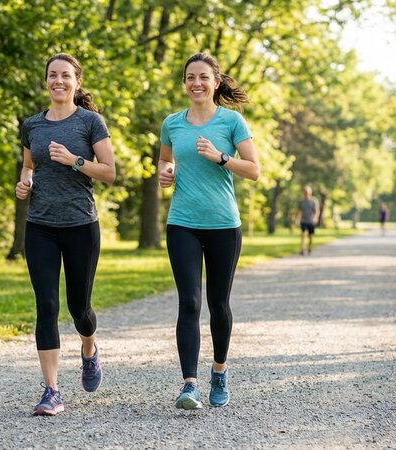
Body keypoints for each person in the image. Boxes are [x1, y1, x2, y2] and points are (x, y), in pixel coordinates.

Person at [157, 52, 260, 410]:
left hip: (223, 225)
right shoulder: (172, 123)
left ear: (216, 82)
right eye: (190, 77)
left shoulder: (232, 122)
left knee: (218, 304)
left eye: (203, 77)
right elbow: (165, 161)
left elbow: (254, 170)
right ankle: (189, 384)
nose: (196, 83)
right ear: (184, 83)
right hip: (182, 222)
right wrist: (165, 174)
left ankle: (219, 370)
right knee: (189, 302)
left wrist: (220, 157)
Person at [15, 53, 116, 416]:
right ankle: (51, 390)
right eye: (52, 75)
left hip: (80, 226)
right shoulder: (32, 125)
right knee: (46, 305)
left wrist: (73, 159)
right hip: (40, 225)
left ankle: (89, 348)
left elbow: (108, 173)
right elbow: (29, 166)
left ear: (76, 82)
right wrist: (24, 183)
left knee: (79, 308)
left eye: (65, 76)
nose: (58, 81)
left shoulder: (91, 122)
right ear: (46, 81)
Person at [296, 186, 320, 254]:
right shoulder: (301, 201)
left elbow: (316, 211)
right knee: (303, 234)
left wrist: (316, 218)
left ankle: (310, 248)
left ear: (310, 192)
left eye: (307, 192)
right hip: (303, 220)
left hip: (311, 220)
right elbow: (298, 211)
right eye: (305, 192)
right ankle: (303, 249)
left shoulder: (313, 200)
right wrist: (297, 219)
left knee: (311, 236)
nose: (306, 193)